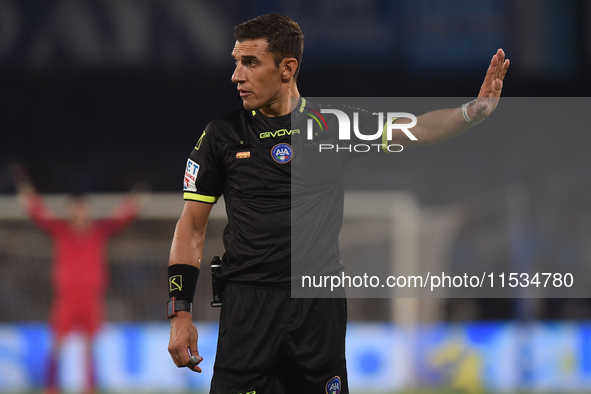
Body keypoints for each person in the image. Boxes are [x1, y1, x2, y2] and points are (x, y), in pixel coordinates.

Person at [166, 13, 509, 394]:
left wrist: (471, 112)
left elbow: (418, 130)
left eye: (250, 63)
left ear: (287, 68)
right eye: (236, 62)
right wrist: (179, 312)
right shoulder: (221, 136)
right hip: (248, 304)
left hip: (317, 305)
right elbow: (191, 226)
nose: (236, 75)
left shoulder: (333, 126)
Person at [16, 176, 143, 394]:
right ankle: (51, 387)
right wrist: (28, 196)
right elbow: (39, 213)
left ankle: (90, 388)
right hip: (67, 299)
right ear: (70, 211)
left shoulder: (98, 231)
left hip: (91, 300)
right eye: (76, 209)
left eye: (83, 209)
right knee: (57, 343)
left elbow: (120, 217)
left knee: (91, 346)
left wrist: (134, 201)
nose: (80, 214)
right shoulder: (61, 230)